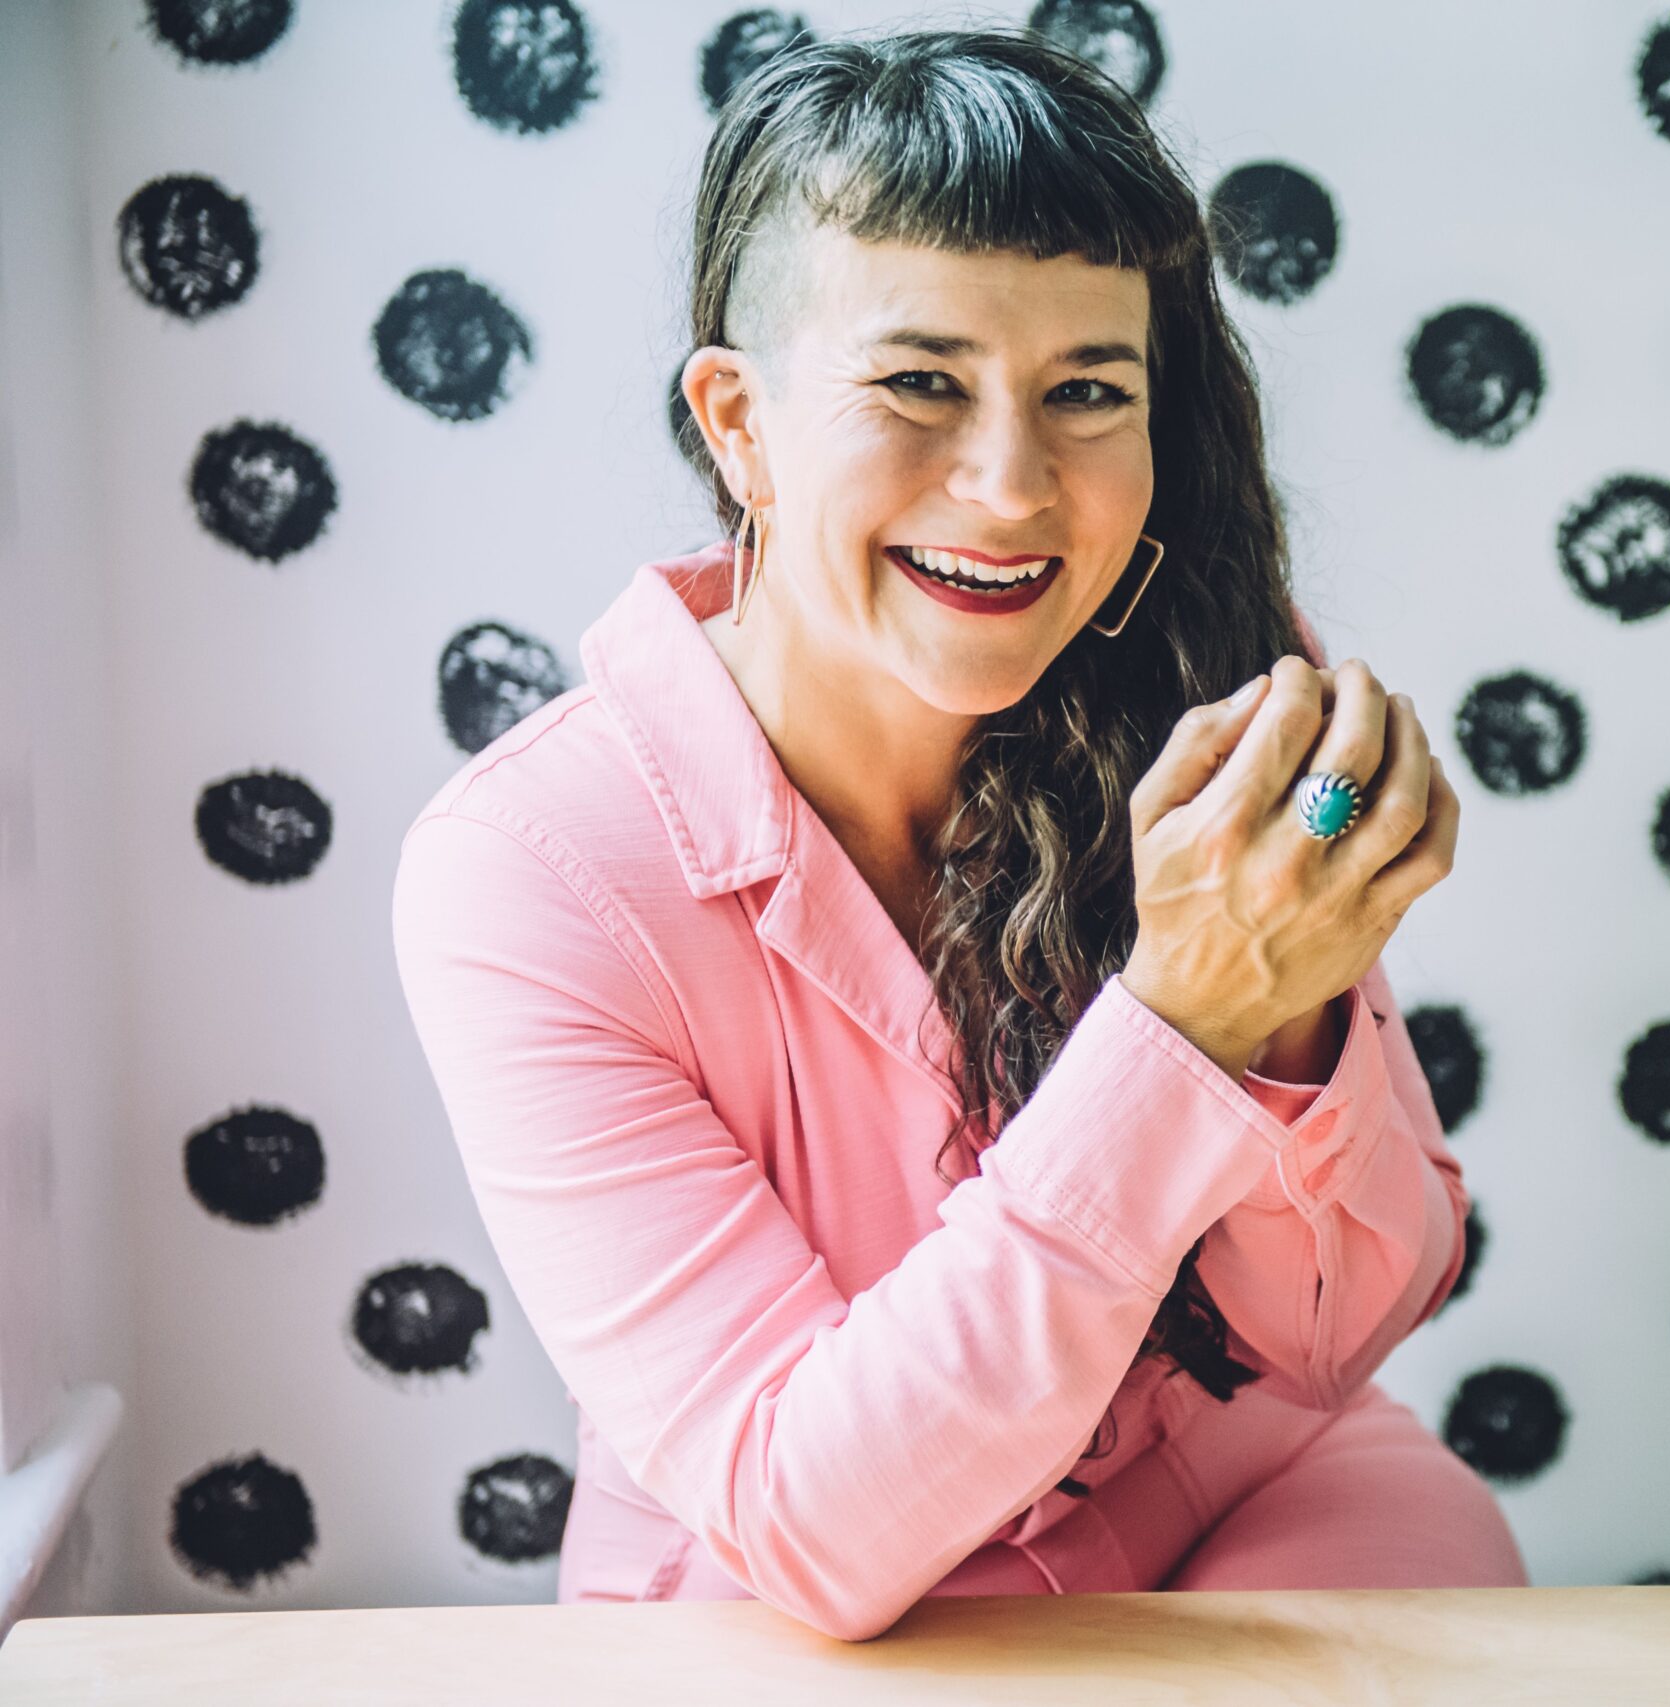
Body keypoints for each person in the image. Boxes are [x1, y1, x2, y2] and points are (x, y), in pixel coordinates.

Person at [389, 26, 1526, 1643]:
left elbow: (1332, 1337)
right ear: (740, 424)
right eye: (920, 383)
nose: (1011, 487)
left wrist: (1293, 1001)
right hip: (793, 1597)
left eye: (1088, 394)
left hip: (1249, 1489)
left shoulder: (1211, 682)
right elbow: (821, 1527)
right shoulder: (528, 874)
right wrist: (1183, 1022)